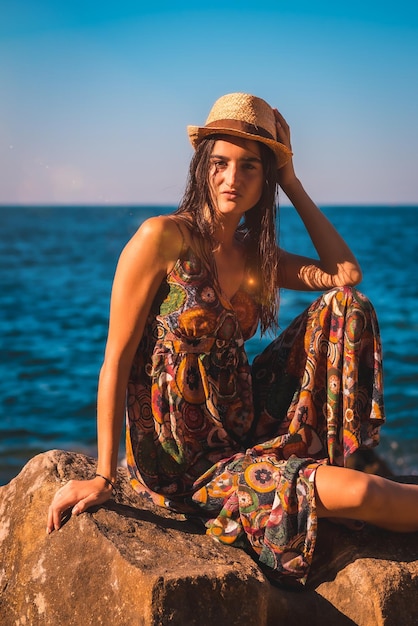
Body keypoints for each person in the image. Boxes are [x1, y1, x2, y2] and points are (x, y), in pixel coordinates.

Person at [47, 92, 418, 587]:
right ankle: (310, 472)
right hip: (184, 467)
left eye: (250, 168)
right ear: (202, 167)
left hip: (244, 427)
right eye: (220, 163)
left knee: (347, 304)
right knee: (366, 495)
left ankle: (314, 456)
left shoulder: (253, 254)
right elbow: (114, 359)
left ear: (264, 182)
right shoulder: (161, 238)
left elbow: (345, 273)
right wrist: (103, 475)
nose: (232, 179)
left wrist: (292, 179)